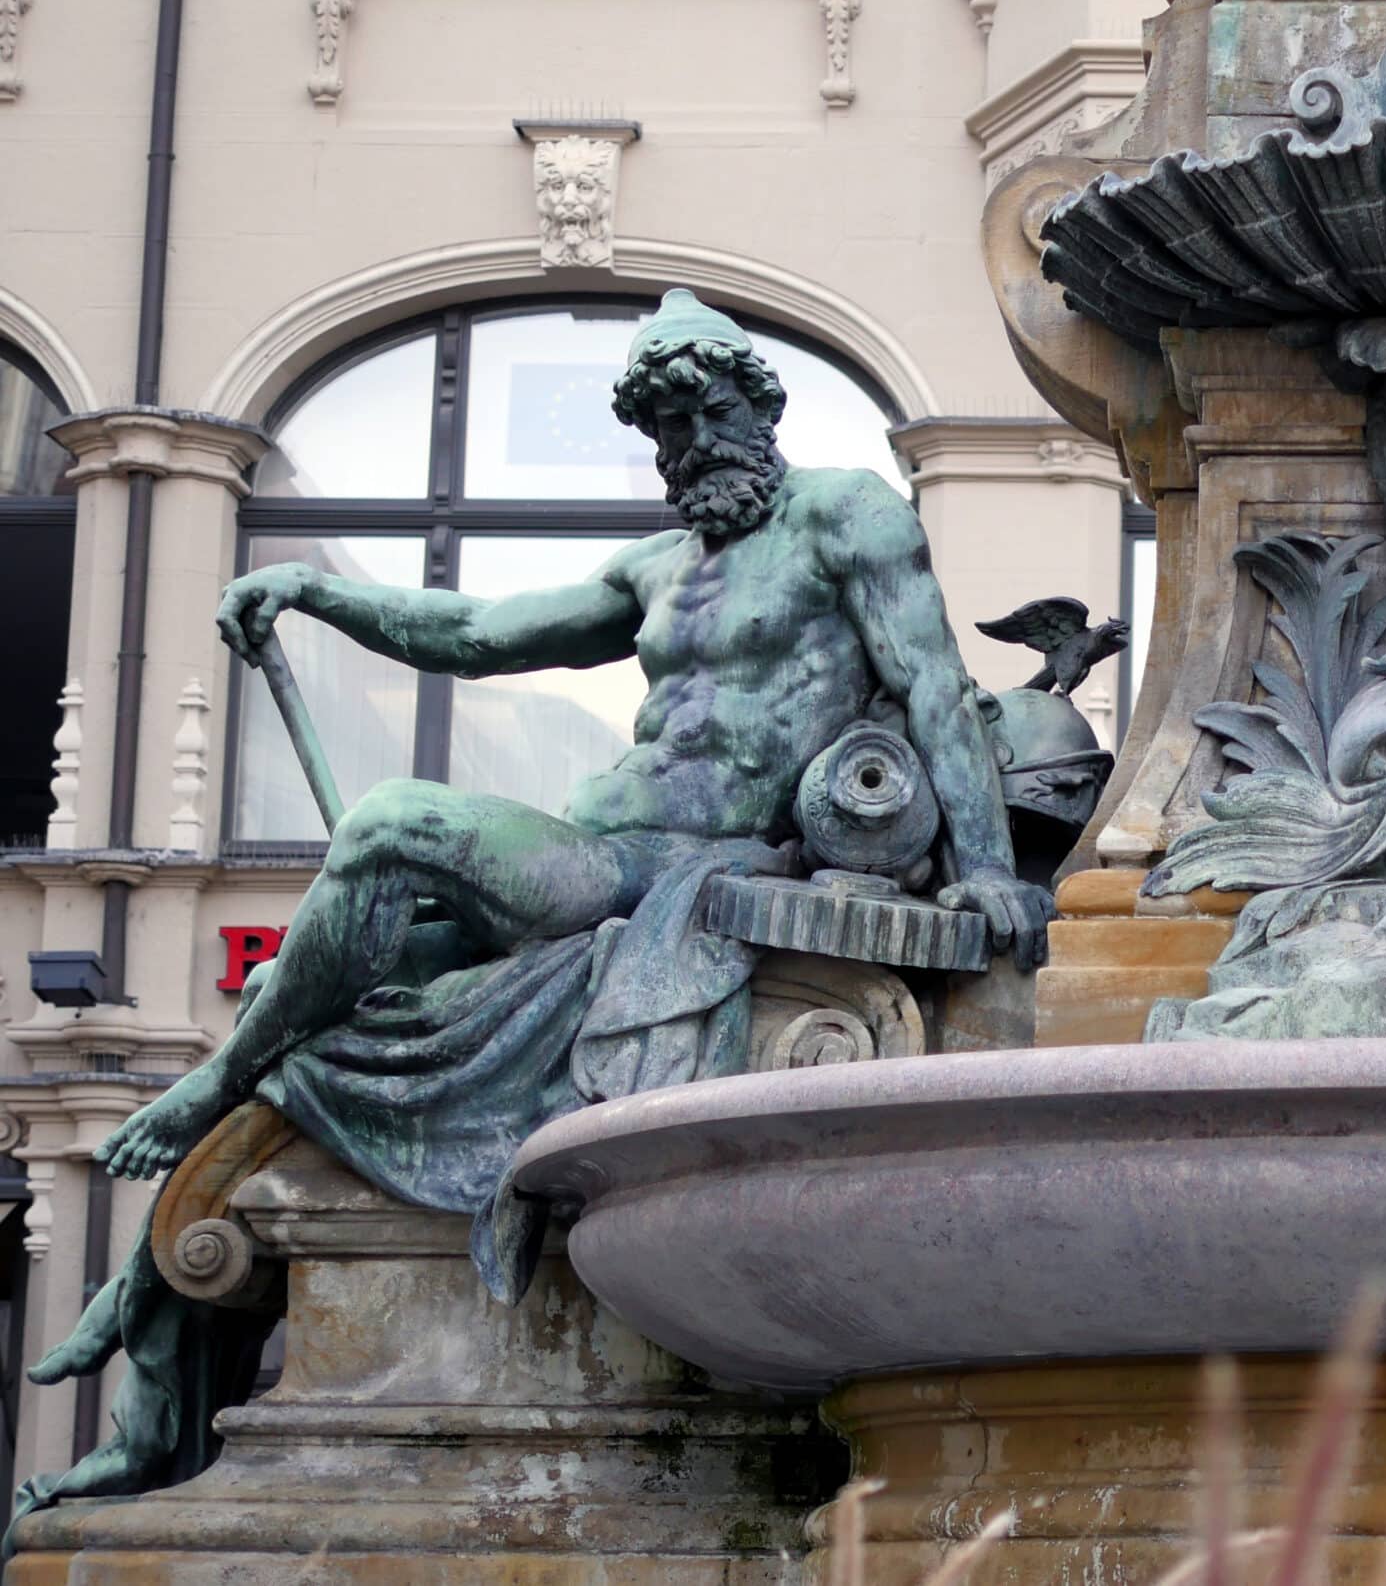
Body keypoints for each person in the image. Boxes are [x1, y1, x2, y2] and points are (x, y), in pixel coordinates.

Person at [89, 289, 1054, 1186]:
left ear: (763, 407)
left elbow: (935, 685)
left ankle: (208, 1088)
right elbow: (477, 636)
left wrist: (989, 864)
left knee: (389, 822)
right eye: (674, 427)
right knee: (292, 977)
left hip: (687, 864)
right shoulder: (655, 570)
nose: (702, 439)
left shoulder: (844, 514)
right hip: (594, 847)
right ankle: (154, 1306)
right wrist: (316, 591)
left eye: (719, 411)